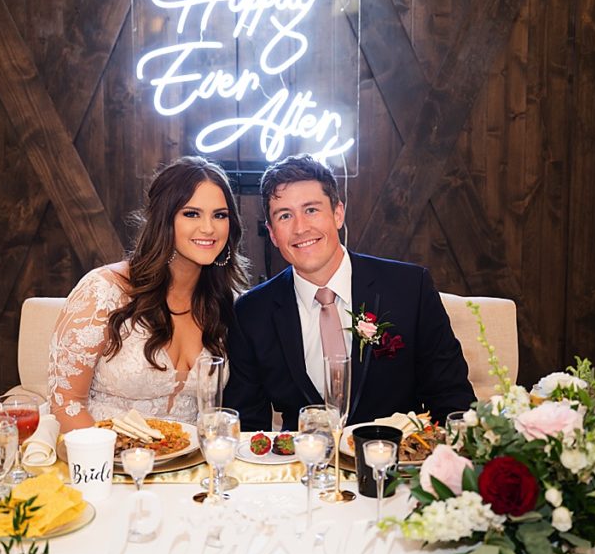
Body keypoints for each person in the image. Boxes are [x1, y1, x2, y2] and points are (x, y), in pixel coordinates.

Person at [224, 154, 476, 432]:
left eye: (311, 210)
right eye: (285, 216)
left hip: (393, 464)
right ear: (272, 233)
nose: (300, 228)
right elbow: (247, 427)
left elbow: (453, 400)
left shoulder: (409, 287)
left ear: (338, 213)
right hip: (300, 467)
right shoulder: (251, 312)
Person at [48, 156, 248, 433]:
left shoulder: (227, 303)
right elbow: (66, 404)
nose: (209, 228)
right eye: (191, 214)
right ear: (164, 219)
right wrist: (109, 462)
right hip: (108, 463)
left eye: (220, 215)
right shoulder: (104, 290)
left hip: (190, 466)